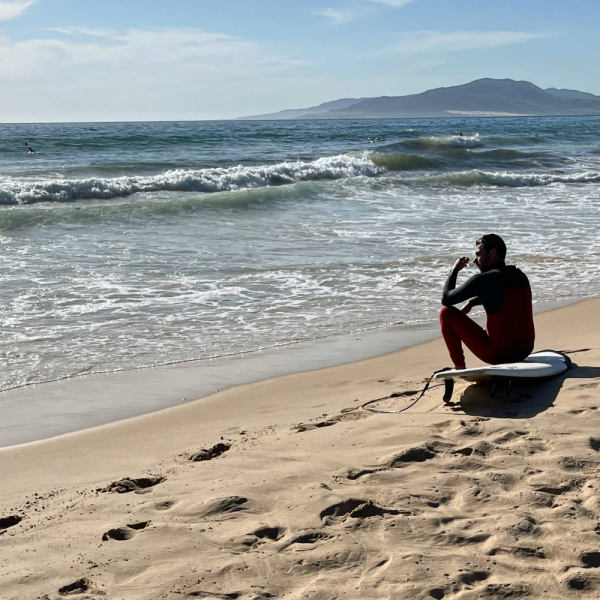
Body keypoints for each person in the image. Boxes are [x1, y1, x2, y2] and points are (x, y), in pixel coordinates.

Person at [440, 234, 535, 372]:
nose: (475, 261)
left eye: (478, 254)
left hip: (498, 354)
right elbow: (504, 297)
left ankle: (459, 367)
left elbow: (446, 299)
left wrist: (454, 270)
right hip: (524, 349)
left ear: (493, 253)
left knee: (446, 313)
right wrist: (472, 303)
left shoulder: (482, 281)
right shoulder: (519, 275)